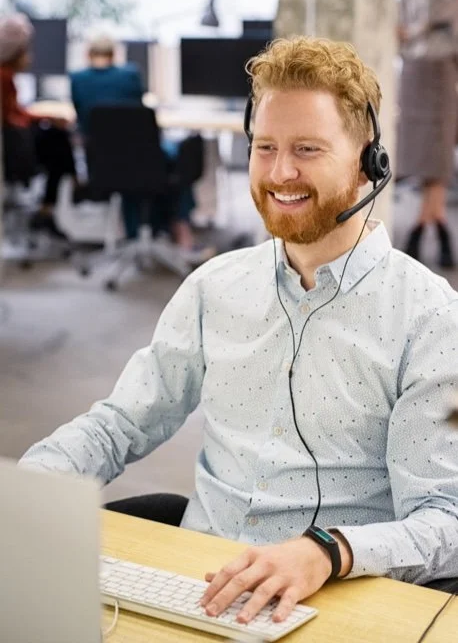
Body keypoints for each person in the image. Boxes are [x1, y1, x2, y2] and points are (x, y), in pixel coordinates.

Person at [20, 36, 458, 625]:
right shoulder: (214, 287)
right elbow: (120, 423)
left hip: (337, 600)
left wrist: (330, 552)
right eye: (265, 147)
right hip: (200, 586)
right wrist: (26, 490)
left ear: (367, 160)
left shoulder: (428, 317)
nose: (280, 172)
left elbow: (444, 517)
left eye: (307, 148)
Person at [71, 36, 208, 259]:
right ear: (114, 55)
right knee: (175, 158)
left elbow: (81, 121)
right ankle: (180, 229)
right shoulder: (129, 75)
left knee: (139, 167)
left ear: (88, 55)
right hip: (143, 161)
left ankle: (139, 231)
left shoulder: (77, 79)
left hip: (103, 166)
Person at [397, 0, 458, 268]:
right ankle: (439, 224)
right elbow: (399, 32)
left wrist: (425, 28)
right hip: (413, 77)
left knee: (439, 154)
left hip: (446, 77)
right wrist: (429, 28)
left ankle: (419, 227)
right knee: (420, 155)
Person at [0, 13, 76, 237]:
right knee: (58, 140)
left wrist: (41, 117)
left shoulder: (6, 77)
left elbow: (14, 112)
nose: (31, 57)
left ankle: (53, 202)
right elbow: (11, 118)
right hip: (15, 151)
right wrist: (45, 118)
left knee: (55, 136)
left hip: (14, 143)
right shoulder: (3, 77)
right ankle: (53, 204)